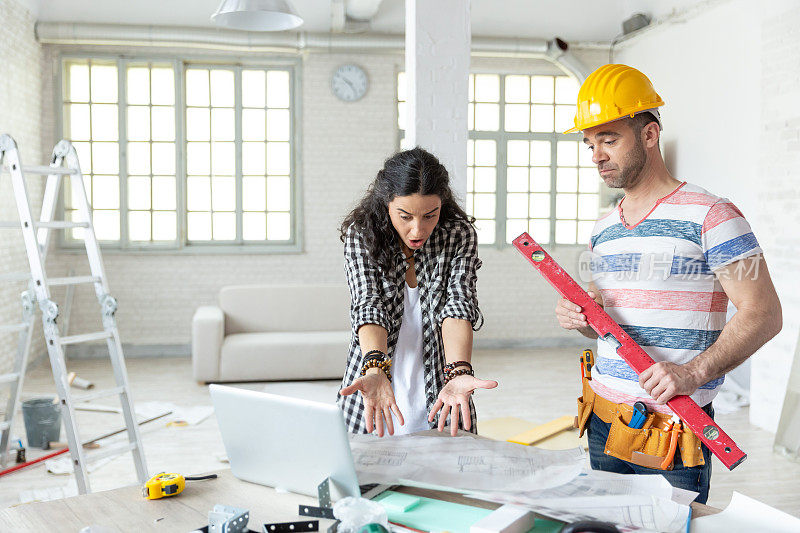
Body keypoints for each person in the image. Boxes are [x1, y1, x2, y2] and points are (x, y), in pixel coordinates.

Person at [555, 64, 782, 503]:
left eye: (609, 139)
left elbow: (765, 314)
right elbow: (606, 323)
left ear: (649, 135)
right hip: (602, 417)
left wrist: (692, 372)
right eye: (589, 143)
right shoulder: (604, 227)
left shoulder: (712, 215)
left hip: (673, 428)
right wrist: (582, 318)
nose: (597, 155)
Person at [337, 147, 497, 437]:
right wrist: (375, 369)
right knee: (367, 476)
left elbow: (458, 305)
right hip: (376, 385)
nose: (417, 230)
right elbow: (368, 304)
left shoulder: (457, 235)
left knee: (446, 476)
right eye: (405, 216)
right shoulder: (362, 233)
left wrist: (459, 372)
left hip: (442, 389)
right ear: (387, 203)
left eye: (429, 216)